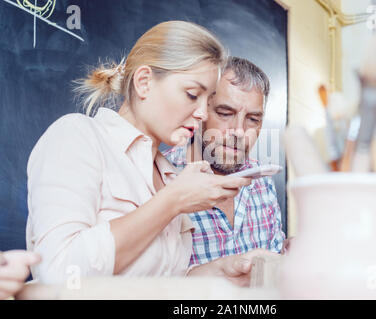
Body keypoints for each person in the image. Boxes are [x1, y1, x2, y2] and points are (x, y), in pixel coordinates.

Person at [26, 21, 276, 285]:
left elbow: (166, 283)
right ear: (144, 82)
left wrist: (224, 272)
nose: (203, 113)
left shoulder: (167, 173)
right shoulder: (77, 136)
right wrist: (172, 201)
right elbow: (60, 272)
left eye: (208, 99)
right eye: (193, 95)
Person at [164, 57, 286, 266]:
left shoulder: (262, 181)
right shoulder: (163, 177)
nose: (239, 131)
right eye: (225, 113)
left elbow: (273, 264)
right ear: (200, 111)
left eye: (253, 119)